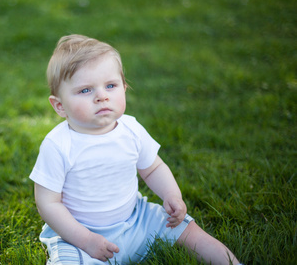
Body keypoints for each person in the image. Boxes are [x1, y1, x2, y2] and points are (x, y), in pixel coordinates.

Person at [29, 34, 241, 265]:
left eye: (111, 86)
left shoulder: (130, 129)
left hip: (137, 219)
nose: (102, 96)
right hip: (79, 233)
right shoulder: (58, 145)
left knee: (190, 231)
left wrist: (172, 194)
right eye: (85, 90)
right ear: (60, 106)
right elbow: (48, 203)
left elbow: (152, 168)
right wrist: (86, 239)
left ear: (124, 88)